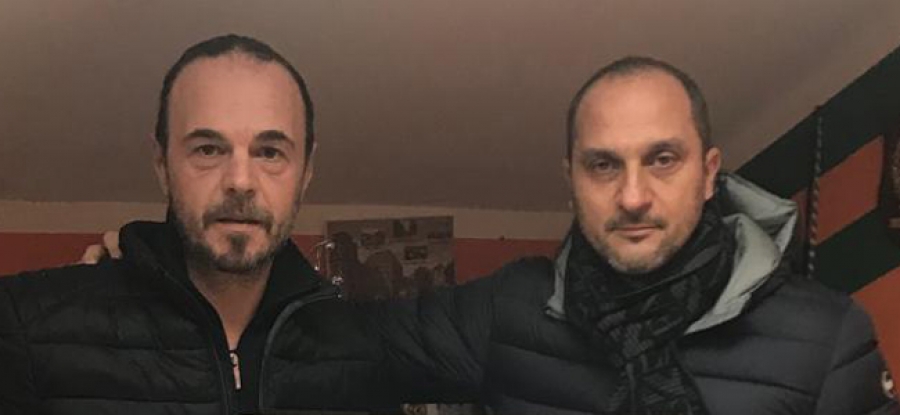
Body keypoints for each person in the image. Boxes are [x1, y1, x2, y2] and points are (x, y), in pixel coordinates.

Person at [364, 56, 899, 414]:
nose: (634, 196)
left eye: (662, 159)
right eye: (603, 165)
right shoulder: (509, 309)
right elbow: (337, 350)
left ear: (709, 174)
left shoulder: (826, 335)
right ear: (572, 182)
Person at [0, 34, 395, 415]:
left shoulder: (364, 352)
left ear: (306, 171)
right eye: (208, 149)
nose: (240, 181)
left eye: (270, 152)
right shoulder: (26, 323)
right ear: (162, 165)